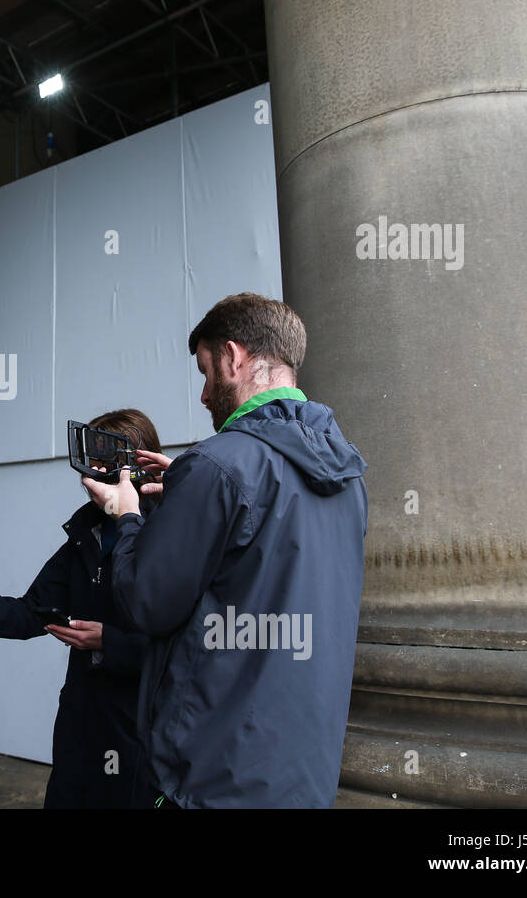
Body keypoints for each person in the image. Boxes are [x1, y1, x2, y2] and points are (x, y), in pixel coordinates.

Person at [82, 292, 369, 808]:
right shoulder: (348, 475)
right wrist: (193, 494)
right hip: (301, 776)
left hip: (213, 777)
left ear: (234, 358)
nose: (203, 394)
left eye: (205, 371)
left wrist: (124, 514)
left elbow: (145, 603)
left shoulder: (217, 466)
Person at [0, 409, 164, 808]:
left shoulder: (168, 532)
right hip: (81, 719)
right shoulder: (83, 535)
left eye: (104, 457)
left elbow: (183, 646)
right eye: (90, 455)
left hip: (139, 726)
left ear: (133, 462)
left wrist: (108, 642)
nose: (92, 468)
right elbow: (32, 612)